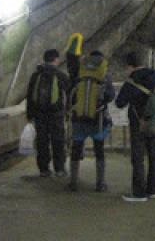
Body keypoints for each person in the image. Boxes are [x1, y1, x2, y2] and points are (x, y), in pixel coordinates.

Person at [115, 51, 155, 202]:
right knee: (154, 156)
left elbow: (120, 103)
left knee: (138, 158)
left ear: (130, 66)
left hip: (138, 123)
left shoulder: (132, 81)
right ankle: (152, 190)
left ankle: (139, 193)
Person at [68, 50, 115, 192]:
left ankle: (73, 182)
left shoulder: (79, 73)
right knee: (99, 151)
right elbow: (110, 95)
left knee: (76, 149)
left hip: (79, 118)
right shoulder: (104, 75)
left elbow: (71, 92)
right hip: (98, 119)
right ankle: (100, 184)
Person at [26, 49, 69, 177]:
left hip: (39, 114)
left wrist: (30, 114)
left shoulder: (36, 75)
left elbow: (29, 96)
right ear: (56, 59)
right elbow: (70, 93)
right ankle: (59, 169)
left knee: (42, 142)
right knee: (58, 141)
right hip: (56, 115)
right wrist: (68, 112)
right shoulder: (60, 75)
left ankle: (44, 169)